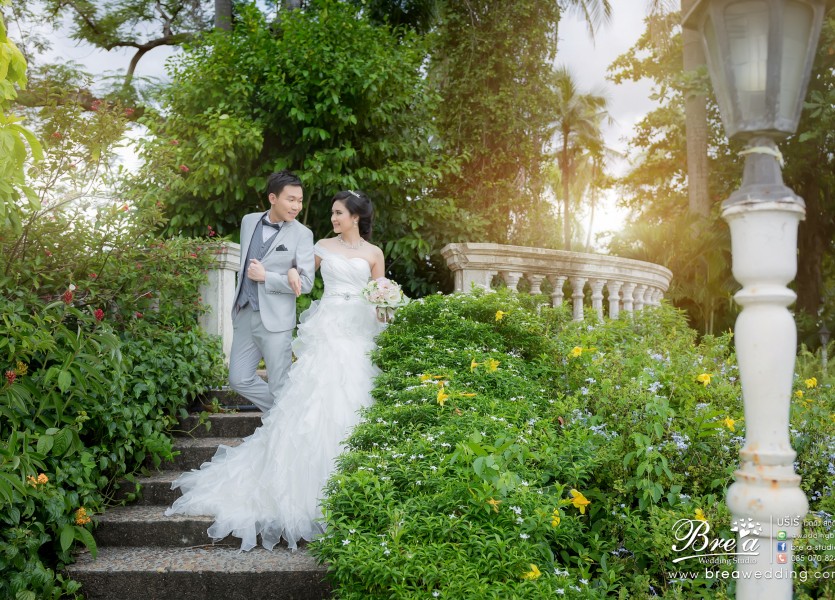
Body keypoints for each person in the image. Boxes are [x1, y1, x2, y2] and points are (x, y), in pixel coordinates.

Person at [166, 190, 387, 552]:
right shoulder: (321, 246)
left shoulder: (374, 253)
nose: (333, 218)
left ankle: (357, 484)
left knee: (357, 393)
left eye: (339, 213)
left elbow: (379, 293)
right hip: (329, 326)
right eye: (333, 213)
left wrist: (386, 304)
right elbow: (300, 272)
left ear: (356, 217)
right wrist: (290, 276)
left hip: (359, 329)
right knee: (318, 395)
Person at [228, 170, 315, 412]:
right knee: (238, 379)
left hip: (276, 319)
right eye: (291, 199)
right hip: (245, 312)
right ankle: (285, 415)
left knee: (280, 386)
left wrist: (267, 277)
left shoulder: (302, 234)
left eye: (300, 200)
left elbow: (307, 282)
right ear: (273, 198)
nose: (296, 206)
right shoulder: (249, 221)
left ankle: (284, 424)